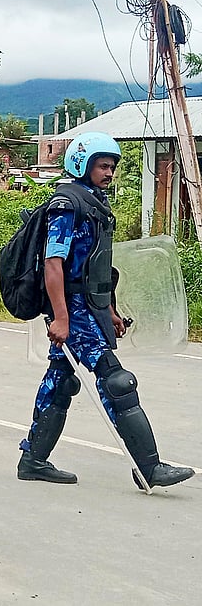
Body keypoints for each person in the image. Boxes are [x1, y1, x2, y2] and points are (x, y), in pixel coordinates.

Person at [17, 132, 194, 489]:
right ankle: (148, 467)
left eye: (112, 166)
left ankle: (33, 460)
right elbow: (53, 264)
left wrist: (109, 311)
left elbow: (96, 268)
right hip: (73, 310)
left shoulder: (95, 204)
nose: (109, 172)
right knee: (117, 381)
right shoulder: (67, 205)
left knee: (60, 382)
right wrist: (62, 317)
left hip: (88, 307)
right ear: (82, 165)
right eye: (102, 166)